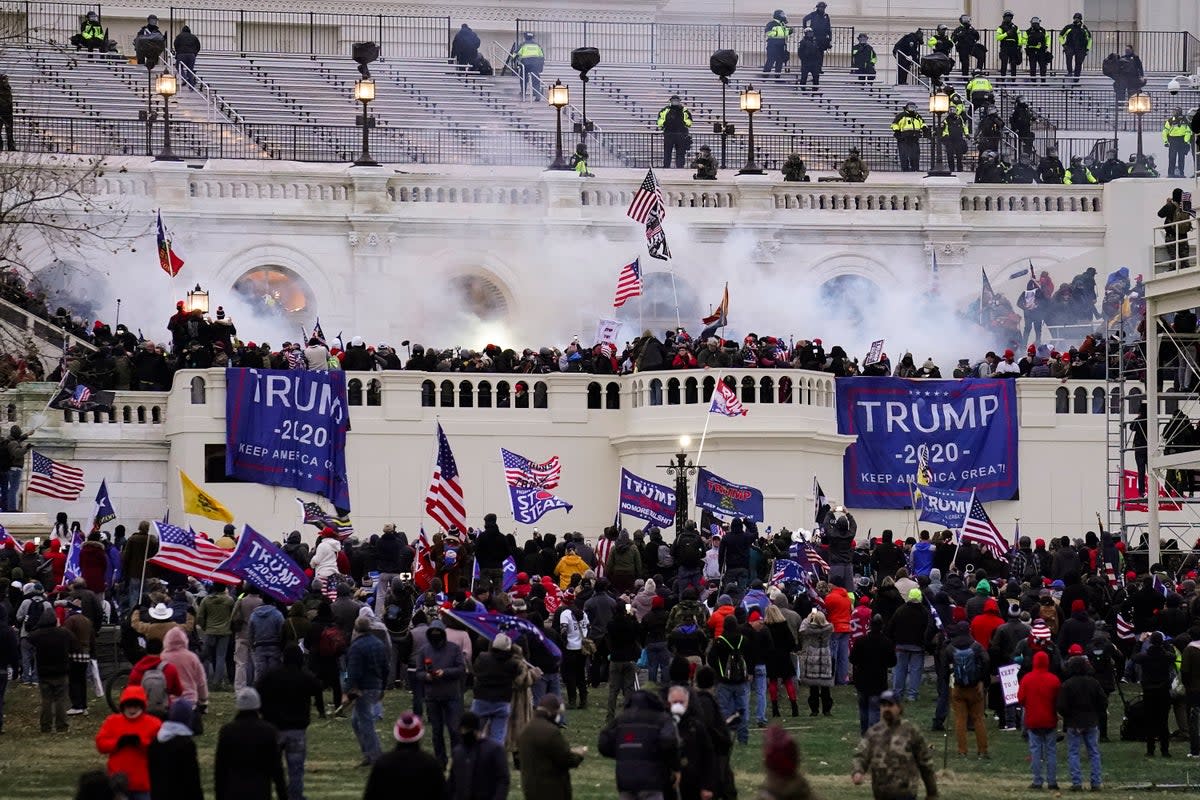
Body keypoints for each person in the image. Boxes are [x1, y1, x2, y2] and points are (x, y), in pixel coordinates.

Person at [257, 644, 322, 800]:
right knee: (296, 767)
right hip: (297, 728)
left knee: (270, 766)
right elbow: (318, 688)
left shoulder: (271, 676)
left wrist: (263, 713)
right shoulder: (305, 677)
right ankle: (295, 795)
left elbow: (257, 691)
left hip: (274, 728)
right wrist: (321, 710)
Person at [851, 691, 938, 800]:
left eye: (890, 705)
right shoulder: (873, 733)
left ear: (899, 707)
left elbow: (925, 764)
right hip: (881, 794)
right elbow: (861, 756)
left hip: (906, 794)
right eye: (883, 705)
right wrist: (858, 771)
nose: (886, 709)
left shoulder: (911, 731)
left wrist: (932, 792)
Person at [598, 689, 680, 800]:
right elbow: (669, 743)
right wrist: (674, 766)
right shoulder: (662, 719)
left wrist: (623, 752)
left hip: (625, 780)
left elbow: (604, 742)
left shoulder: (622, 719)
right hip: (652, 780)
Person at [215, 687, 287, 800]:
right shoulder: (268, 731)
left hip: (233, 791)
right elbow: (276, 768)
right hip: (260, 791)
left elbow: (220, 768)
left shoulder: (227, 731)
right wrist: (283, 795)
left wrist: (219, 795)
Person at [95, 686, 162, 800]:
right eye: (129, 705)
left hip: (143, 783)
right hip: (117, 782)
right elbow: (101, 744)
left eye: (135, 706)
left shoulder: (154, 723)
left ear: (141, 706)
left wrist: (140, 743)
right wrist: (118, 743)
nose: (132, 710)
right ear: (123, 706)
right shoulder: (112, 721)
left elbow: (160, 750)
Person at [415, 617, 465, 765]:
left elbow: (461, 669)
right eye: (433, 632)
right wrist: (427, 676)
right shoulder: (424, 650)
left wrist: (445, 672)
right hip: (432, 696)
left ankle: (457, 759)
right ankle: (440, 760)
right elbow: (418, 672)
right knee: (436, 732)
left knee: (454, 730)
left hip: (451, 695)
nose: (436, 635)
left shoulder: (454, 648)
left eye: (438, 632)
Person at [517, 694, 584, 800]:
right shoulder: (551, 732)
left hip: (530, 789)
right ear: (552, 712)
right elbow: (566, 759)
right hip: (552, 789)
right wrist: (579, 754)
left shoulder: (526, 730)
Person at [1057, 653, 1105, 790]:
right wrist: (1096, 713)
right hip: (1091, 721)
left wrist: (1068, 717)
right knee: (1094, 752)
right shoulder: (1093, 682)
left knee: (1073, 752)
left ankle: (1077, 782)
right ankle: (1096, 782)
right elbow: (1103, 701)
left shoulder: (1067, 685)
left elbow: (1061, 705)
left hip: (1073, 722)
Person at [347, 615, 389, 766]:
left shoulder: (356, 646)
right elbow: (386, 667)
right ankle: (369, 752)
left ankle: (374, 755)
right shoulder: (379, 643)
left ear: (356, 628)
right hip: (376, 685)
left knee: (365, 722)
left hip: (363, 687)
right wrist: (383, 686)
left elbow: (353, 671)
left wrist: (349, 689)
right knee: (356, 721)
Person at [943, 620, 989, 758]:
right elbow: (986, 660)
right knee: (978, 719)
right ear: (969, 630)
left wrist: (948, 683)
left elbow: (944, 668)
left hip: (958, 687)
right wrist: (983, 681)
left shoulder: (950, 648)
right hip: (975, 687)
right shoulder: (976, 646)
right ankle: (982, 750)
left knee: (960, 720)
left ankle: (962, 750)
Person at [1018, 650, 1062, 790]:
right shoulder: (1054, 679)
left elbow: (1020, 699)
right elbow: (1059, 700)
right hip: (1049, 719)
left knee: (1036, 751)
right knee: (1051, 751)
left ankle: (1037, 781)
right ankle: (1052, 781)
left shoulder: (1027, 679)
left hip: (1033, 720)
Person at [147, 699, 203, 800]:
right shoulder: (186, 744)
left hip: (158, 793)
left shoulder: (156, 740)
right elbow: (192, 777)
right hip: (180, 793)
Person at [709, 615, 751, 745]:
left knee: (723, 709)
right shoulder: (743, 640)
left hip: (724, 681)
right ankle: (743, 739)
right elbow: (750, 656)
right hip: (741, 681)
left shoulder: (719, 641)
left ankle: (724, 737)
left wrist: (719, 672)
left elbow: (711, 659)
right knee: (743, 709)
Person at [28, 607, 71, 733]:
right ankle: (61, 726)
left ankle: (45, 726)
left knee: (46, 700)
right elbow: (73, 642)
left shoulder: (38, 634)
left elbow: (29, 637)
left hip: (44, 671)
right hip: (61, 670)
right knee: (60, 699)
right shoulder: (63, 633)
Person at [850, 614, 895, 734]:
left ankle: (865, 732)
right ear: (882, 627)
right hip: (878, 681)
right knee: (874, 709)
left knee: (863, 708)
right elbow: (892, 662)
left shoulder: (861, 641)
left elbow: (852, 659)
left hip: (862, 680)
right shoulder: (887, 643)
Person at [449, 711, 509, 800]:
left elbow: (503, 779)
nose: (464, 733)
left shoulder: (494, 750)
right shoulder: (458, 752)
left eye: (466, 730)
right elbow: (453, 781)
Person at [1133, 631, 1174, 757]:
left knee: (1150, 721)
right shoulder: (1166, 656)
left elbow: (1134, 656)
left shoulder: (1145, 657)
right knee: (1163, 721)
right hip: (1163, 691)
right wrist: (1165, 643)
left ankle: (1150, 750)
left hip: (1149, 691)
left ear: (1150, 642)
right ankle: (1165, 750)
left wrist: (1140, 641)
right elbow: (1173, 655)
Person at [197, 582, 233, 688]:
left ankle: (203, 679)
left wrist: (204, 627)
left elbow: (199, 616)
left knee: (206, 656)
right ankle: (217, 682)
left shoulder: (206, 600)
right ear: (224, 588)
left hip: (210, 631)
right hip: (224, 632)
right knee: (221, 656)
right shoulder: (229, 600)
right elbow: (233, 615)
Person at [657, 95, 693, 170]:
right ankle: (666, 167)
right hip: (669, 134)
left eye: (677, 100)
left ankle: (680, 167)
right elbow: (659, 120)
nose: (675, 102)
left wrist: (684, 123)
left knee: (680, 152)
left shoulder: (684, 110)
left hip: (681, 134)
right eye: (674, 100)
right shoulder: (665, 110)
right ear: (670, 101)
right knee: (667, 152)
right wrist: (664, 124)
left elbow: (689, 121)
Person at [891, 102, 926, 172]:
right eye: (910, 107)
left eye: (913, 107)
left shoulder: (917, 116)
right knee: (904, 154)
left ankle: (915, 168)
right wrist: (897, 131)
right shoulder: (901, 115)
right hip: (903, 138)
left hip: (914, 138)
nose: (912, 109)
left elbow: (923, 123)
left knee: (915, 155)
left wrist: (925, 128)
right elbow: (894, 124)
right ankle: (905, 169)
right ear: (907, 108)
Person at [512, 32, 544, 100]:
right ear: (532, 37)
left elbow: (515, 54)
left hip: (525, 64)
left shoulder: (522, 44)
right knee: (535, 79)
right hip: (535, 64)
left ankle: (523, 92)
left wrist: (514, 61)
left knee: (523, 78)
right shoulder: (537, 45)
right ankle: (537, 94)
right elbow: (542, 56)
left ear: (525, 37)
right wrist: (541, 67)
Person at [1059, 13, 1092, 79]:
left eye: (1078, 18)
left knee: (1079, 63)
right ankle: (1070, 72)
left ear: (1080, 19)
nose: (1076, 19)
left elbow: (1089, 39)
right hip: (1070, 46)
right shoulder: (1068, 27)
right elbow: (1060, 36)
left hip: (1081, 48)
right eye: (1075, 18)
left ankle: (1076, 77)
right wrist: (1064, 45)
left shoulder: (1084, 28)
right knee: (1069, 59)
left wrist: (1087, 49)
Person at [1164, 107, 1193, 178]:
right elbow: (1165, 131)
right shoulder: (1170, 120)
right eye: (1173, 111)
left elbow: (1188, 131)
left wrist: (1186, 141)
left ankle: (1181, 173)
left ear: (1179, 112)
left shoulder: (1185, 120)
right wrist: (1165, 141)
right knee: (1172, 157)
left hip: (1182, 141)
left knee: (1181, 158)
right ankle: (1170, 173)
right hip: (1173, 141)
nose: (1173, 113)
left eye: (1175, 111)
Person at [801, 2, 832, 67]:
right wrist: (806, 29)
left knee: (821, 53)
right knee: (813, 52)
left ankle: (819, 68)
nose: (821, 8)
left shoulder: (826, 16)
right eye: (820, 7)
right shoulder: (813, 14)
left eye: (823, 7)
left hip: (823, 37)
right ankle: (813, 67)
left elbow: (828, 27)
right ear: (817, 7)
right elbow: (804, 19)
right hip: (814, 36)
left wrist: (830, 37)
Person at [762, 10, 791, 78]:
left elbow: (784, 33)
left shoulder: (782, 24)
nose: (783, 16)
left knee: (779, 62)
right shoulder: (771, 24)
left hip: (781, 46)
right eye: (782, 15)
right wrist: (779, 32)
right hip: (773, 46)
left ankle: (777, 77)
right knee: (770, 61)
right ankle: (765, 77)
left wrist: (788, 31)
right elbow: (768, 33)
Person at [995, 11, 1021, 77]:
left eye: (1009, 17)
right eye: (1006, 17)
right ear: (1004, 18)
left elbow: (1019, 37)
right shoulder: (1000, 27)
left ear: (1011, 18)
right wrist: (1006, 34)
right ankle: (1003, 79)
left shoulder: (1015, 27)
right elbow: (998, 37)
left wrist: (1019, 45)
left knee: (1013, 64)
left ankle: (1013, 80)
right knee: (1004, 63)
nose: (1008, 18)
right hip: (1005, 46)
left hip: (1013, 47)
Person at [0, 74, 13, 152]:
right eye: (4, 80)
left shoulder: (7, 88)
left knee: (10, 132)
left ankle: (11, 147)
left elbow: (9, 100)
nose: (6, 81)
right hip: (1, 113)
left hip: (8, 113)